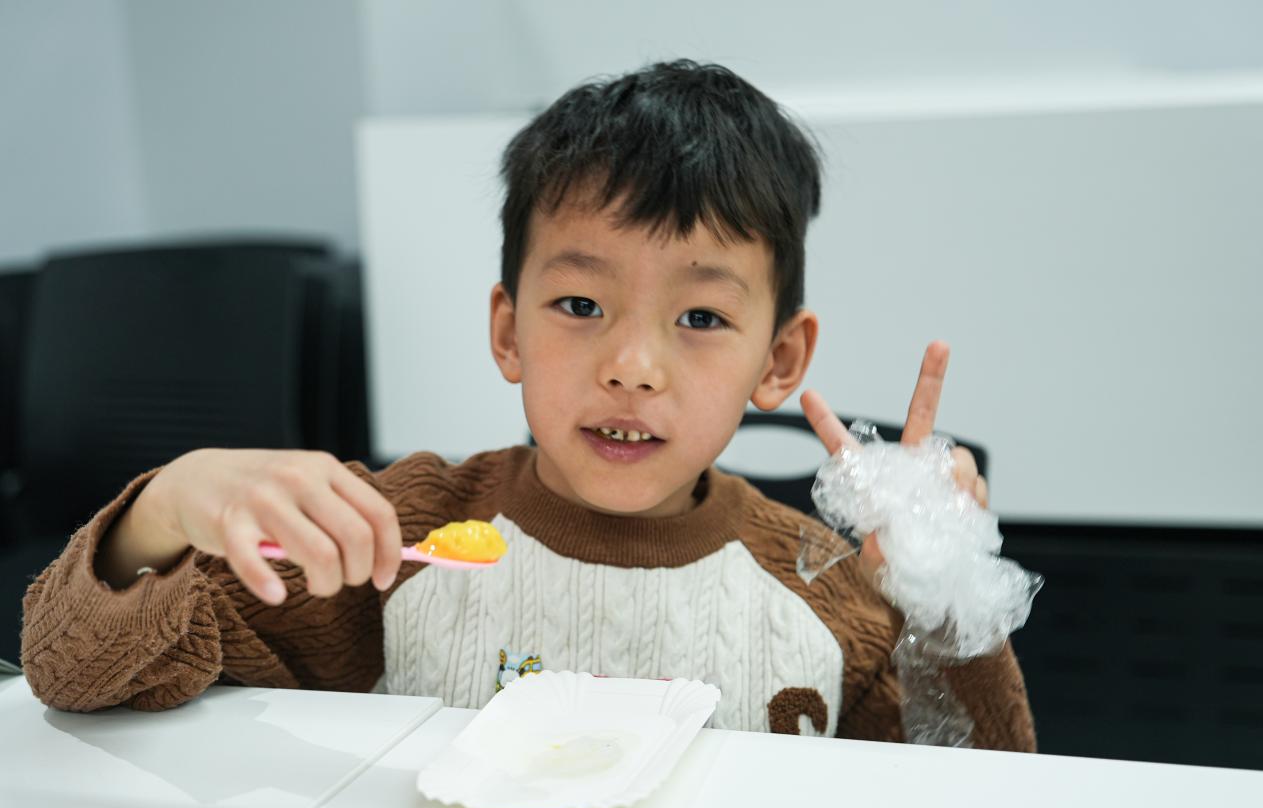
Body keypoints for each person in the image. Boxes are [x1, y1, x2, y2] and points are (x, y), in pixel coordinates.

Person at [20, 61, 1034, 749]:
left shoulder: (824, 591)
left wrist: (949, 603)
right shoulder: (399, 539)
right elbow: (71, 674)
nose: (632, 366)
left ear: (778, 361)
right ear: (508, 330)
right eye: (580, 305)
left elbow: (979, 805)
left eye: (700, 318)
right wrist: (167, 505)